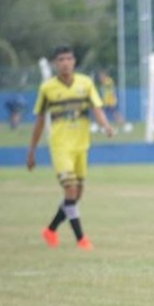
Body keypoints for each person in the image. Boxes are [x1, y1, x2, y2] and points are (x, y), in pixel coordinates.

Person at [27, 45, 115, 251]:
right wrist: (31, 151)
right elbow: (39, 120)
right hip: (60, 146)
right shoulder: (47, 88)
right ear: (54, 64)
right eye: (61, 60)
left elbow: (97, 109)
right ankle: (81, 239)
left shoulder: (85, 83)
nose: (65, 63)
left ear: (74, 61)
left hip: (81, 144)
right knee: (70, 188)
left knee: (76, 195)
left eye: (69, 59)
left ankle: (50, 230)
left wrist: (106, 126)